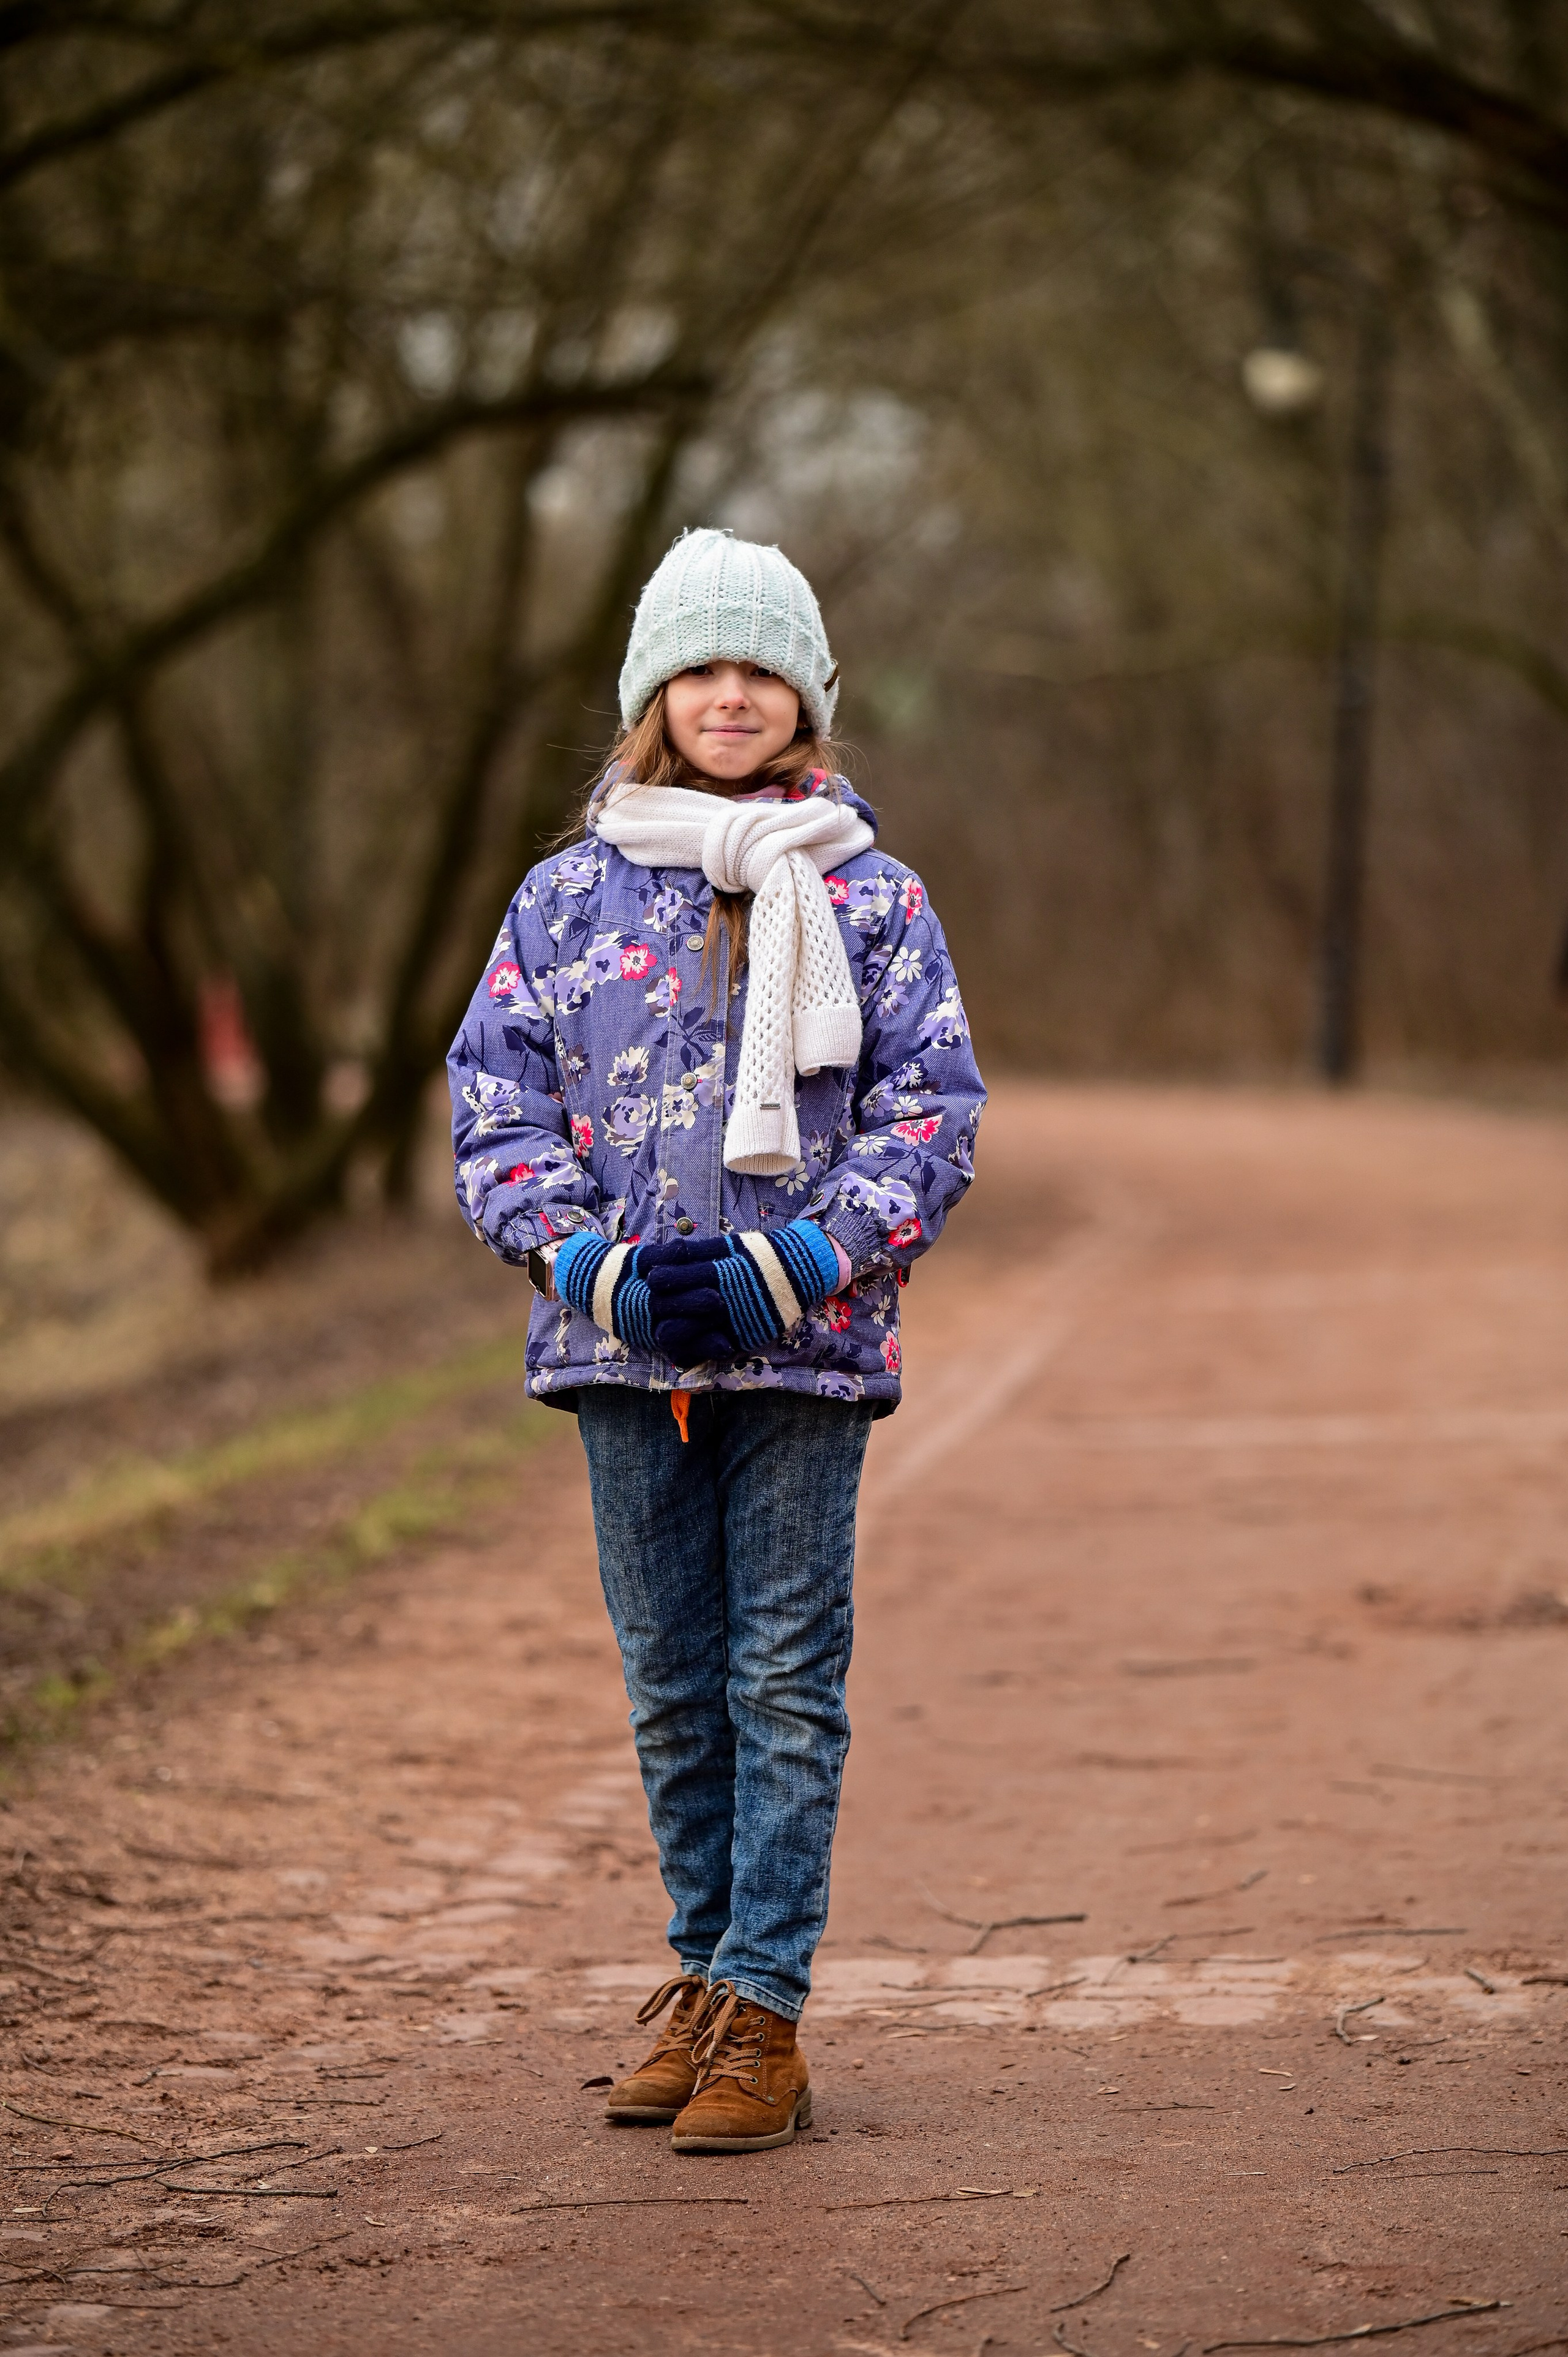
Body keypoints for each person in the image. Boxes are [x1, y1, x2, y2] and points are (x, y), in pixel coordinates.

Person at [447, 527, 985, 2152]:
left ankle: (767, 2011)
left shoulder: (871, 899)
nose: (731, 695)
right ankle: (698, 1976)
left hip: (802, 1354)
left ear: (807, 696)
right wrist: (595, 1269)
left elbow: (930, 1115)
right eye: (702, 667)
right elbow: (496, 1113)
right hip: (624, 1354)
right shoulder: (563, 898)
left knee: (780, 1675)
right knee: (674, 1683)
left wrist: (801, 1261)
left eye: (761, 669)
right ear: (652, 695)